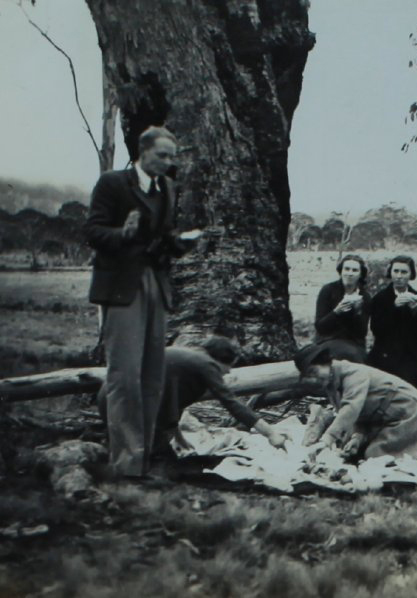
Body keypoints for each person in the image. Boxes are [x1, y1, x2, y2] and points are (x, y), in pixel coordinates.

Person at [84, 125, 194, 478]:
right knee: (124, 375)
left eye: (172, 157)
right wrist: (123, 234)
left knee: (151, 375)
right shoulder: (113, 183)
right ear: (142, 152)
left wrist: (179, 243)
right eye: (162, 155)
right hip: (121, 286)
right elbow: (93, 232)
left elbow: (161, 238)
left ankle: (146, 458)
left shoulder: (167, 188)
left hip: (155, 284)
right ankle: (126, 465)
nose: (168, 162)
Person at [97, 336, 289, 451]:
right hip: (126, 407)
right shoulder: (205, 364)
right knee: (155, 461)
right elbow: (231, 403)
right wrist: (271, 433)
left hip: (110, 399)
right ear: (220, 360)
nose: (228, 372)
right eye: (229, 366)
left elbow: (172, 401)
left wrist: (178, 437)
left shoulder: (186, 358)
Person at [294, 343, 417, 459]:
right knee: (352, 454)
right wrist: (357, 437)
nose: (314, 379)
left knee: (374, 457)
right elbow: (358, 416)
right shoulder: (331, 384)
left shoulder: (353, 373)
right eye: (308, 376)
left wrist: (327, 439)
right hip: (384, 419)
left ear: (327, 362)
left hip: (411, 413)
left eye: (314, 372)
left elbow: (351, 408)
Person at [367, 256, 417, 395]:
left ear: (411, 274)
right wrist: (394, 308)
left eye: (404, 272)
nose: (399, 276)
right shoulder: (380, 298)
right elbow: (377, 330)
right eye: (396, 271)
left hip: (412, 352)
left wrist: (415, 312)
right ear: (390, 273)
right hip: (385, 351)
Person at [314, 254, 371, 362]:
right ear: (341, 271)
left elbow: (362, 333)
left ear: (360, 274)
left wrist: (357, 312)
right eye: (346, 269)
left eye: (354, 270)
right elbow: (320, 326)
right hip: (328, 340)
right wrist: (336, 312)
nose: (349, 273)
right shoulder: (328, 290)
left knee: (354, 356)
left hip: (353, 343)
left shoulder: (365, 296)